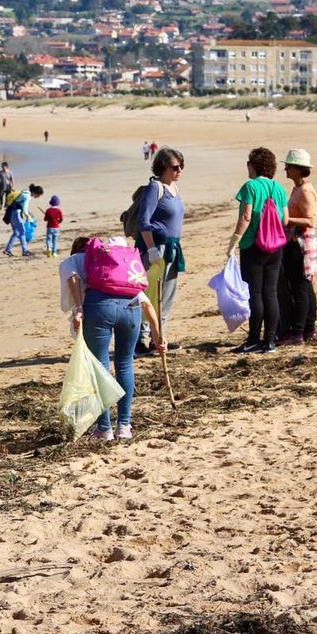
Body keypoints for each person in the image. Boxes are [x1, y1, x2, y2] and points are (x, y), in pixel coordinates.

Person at [66, 237, 165, 442]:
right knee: (125, 364)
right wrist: (158, 339)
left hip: (99, 307)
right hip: (131, 310)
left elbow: (72, 277)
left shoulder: (86, 262)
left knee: (100, 367)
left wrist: (78, 309)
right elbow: (148, 306)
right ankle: (124, 426)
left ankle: (105, 429)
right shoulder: (128, 270)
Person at [226, 147, 288, 354]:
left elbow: (245, 217)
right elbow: (285, 219)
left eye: (248, 163)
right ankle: (269, 342)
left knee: (255, 293)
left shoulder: (250, 186)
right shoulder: (279, 189)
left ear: (253, 165)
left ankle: (253, 339)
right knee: (270, 292)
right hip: (276, 246)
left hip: (253, 245)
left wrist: (234, 241)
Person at [135, 147, 187, 355]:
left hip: (173, 248)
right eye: (175, 166)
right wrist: (151, 250)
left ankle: (159, 339)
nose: (179, 170)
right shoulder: (154, 188)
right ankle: (139, 341)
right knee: (149, 295)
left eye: (182, 166)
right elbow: (143, 221)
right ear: (163, 167)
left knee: (166, 296)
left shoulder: (174, 188)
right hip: (155, 249)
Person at [278, 149, 317, 346]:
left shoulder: (305, 190)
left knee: (300, 287)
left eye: (289, 166)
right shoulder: (298, 188)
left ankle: (298, 333)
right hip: (295, 241)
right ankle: (308, 329)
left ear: (299, 169)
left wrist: (286, 219)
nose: (285, 168)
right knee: (305, 286)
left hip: (300, 243)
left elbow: (310, 220)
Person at [4, 184, 40, 258]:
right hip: (15, 213)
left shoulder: (25, 192)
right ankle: (25, 251)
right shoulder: (27, 196)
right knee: (22, 232)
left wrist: (28, 214)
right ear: (35, 193)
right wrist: (29, 217)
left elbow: (22, 207)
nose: (38, 197)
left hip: (11, 212)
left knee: (16, 232)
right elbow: (25, 209)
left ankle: (7, 250)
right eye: (39, 195)